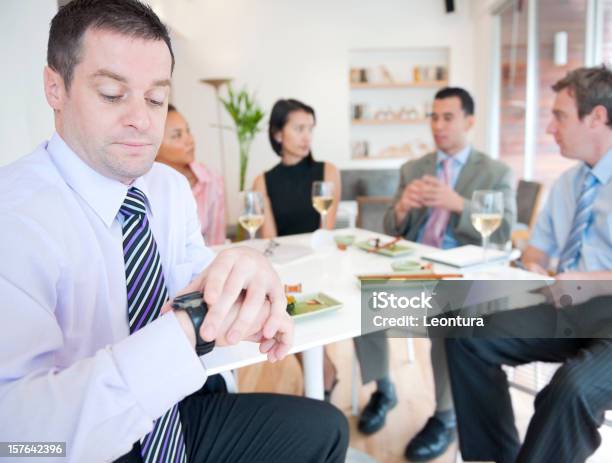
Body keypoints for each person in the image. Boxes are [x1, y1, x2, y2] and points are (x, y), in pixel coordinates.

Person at [0, 2, 348, 462]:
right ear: (55, 88)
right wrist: (189, 330)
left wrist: (244, 269)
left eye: (156, 98)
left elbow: (192, 274)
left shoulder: (166, 188)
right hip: (87, 443)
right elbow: (18, 439)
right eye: (111, 93)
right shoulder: (14, 216)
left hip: (180, 407)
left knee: (326, 430)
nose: (143, 121)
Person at [446, 65, 612, 463]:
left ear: (597, 118)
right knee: (464, 332)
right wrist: (535, 268)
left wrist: (587, 280)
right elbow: (537, 250)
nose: (550, 129)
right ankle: (496, 457)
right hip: (570, 307)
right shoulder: (569, 183)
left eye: (559, 116)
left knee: (570, 390)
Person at [353, 88, 516, 461]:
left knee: (449, 316)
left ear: (469, 122)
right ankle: (384, 388)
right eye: (433, 117)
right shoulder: (413, 168)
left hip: (459, 276)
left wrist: (456, 203)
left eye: (447, 117)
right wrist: (402, 208)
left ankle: (445, 416)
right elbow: (391, 228)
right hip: (413, 268)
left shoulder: (495, 171)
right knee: (363, 298)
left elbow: (505, 230)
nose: (438, 126)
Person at [252, 98, 342, 399]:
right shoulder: (262, 182)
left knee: (297, 302)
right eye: (299, 128)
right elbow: (271, 243)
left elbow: (324, 236)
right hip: (285, 269)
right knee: (280, 303)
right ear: (278, 134)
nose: (307, 137)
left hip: (321, 266)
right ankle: (322, 375)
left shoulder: (327, 172)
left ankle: (320, 379)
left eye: (310, 129)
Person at [156, 104, 226, 245]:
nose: (190, 140)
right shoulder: (139, 186)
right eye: (177, 135)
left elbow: (216, 243)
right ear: (154, 144)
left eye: (188, 131)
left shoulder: (211, 180)